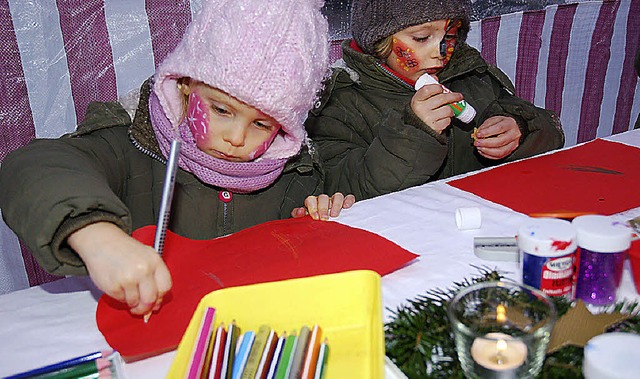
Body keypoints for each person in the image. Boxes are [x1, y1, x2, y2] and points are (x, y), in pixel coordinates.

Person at [0, 0, 354, 317]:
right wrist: (95, 234)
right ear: (186, 82)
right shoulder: (131, 140)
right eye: (220, 109)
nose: (236, 138)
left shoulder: (297, 169)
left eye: (262, 124)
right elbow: (30, 166)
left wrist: (307, 221)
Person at [306, 0, 565, 200]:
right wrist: (415, 132)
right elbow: (338, 188)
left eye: (450, 36)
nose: (440, 54)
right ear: (378, 40)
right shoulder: (341, 100)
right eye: (421, 38)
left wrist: (520, 129)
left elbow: (550, 131)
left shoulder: (471, 74)